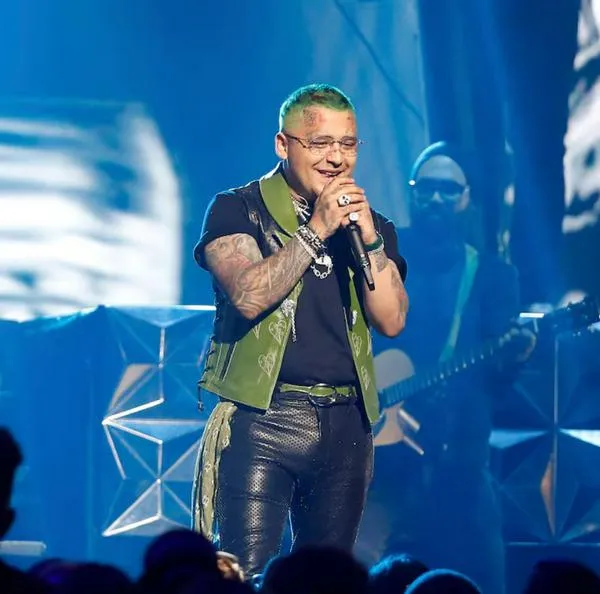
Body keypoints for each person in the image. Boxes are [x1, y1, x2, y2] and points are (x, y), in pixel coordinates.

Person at [191, 83, 409, 578]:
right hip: (263, 420)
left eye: (347, 144)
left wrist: (370, 240)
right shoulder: (238, 208)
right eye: (320, 143)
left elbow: (393, 320)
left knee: (327, 579)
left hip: (347, 423)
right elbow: (248, 295)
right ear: (283, 145)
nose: (336, 158)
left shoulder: (371, 226)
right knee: (246, 573)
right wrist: (316, 232)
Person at [356, 141, 535, 594]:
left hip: (459, 462)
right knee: (356, 574)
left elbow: (498, 382)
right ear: (413, 192)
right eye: (427, 187)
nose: (436, 198)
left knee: (482, 579)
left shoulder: (493, 276)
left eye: (449, 189)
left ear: (467, 197)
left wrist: (516, 356)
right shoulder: (376, 260)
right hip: (380, 462)